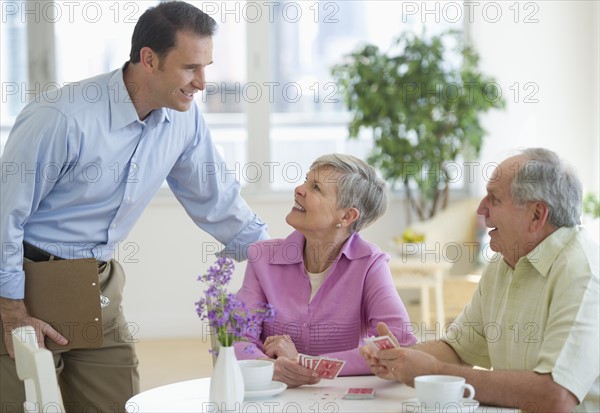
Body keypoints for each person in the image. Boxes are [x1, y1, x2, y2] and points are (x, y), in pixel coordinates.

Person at [0, 2, 268, 411]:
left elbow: (217, 201)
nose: (202, 82)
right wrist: (12, 312)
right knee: (27, 403)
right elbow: (5, 217)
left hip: (98, 282)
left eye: (206, 66)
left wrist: (281, 260)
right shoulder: (62, 119)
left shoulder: (183, 119)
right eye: (190, 67)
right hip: (26, 281)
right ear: (149, 60)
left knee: (121, 403)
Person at [361, 148, 599, 412]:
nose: (480, 208)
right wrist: (401, 358)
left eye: (494, 199)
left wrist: (436, 371)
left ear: (536, 215)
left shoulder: (584, 273)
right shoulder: (504, 262)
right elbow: (459, 349)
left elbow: (556, 397)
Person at [233, 153, 417, 387]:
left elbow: (400, 345)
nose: (299, 189)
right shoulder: (261, 258)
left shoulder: (370, 264)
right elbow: (238, 338)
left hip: (340, 400)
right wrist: (270, 368)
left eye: (316, 188)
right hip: (271, 394)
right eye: (306, 180)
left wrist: (306, 363)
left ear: (347, 215)